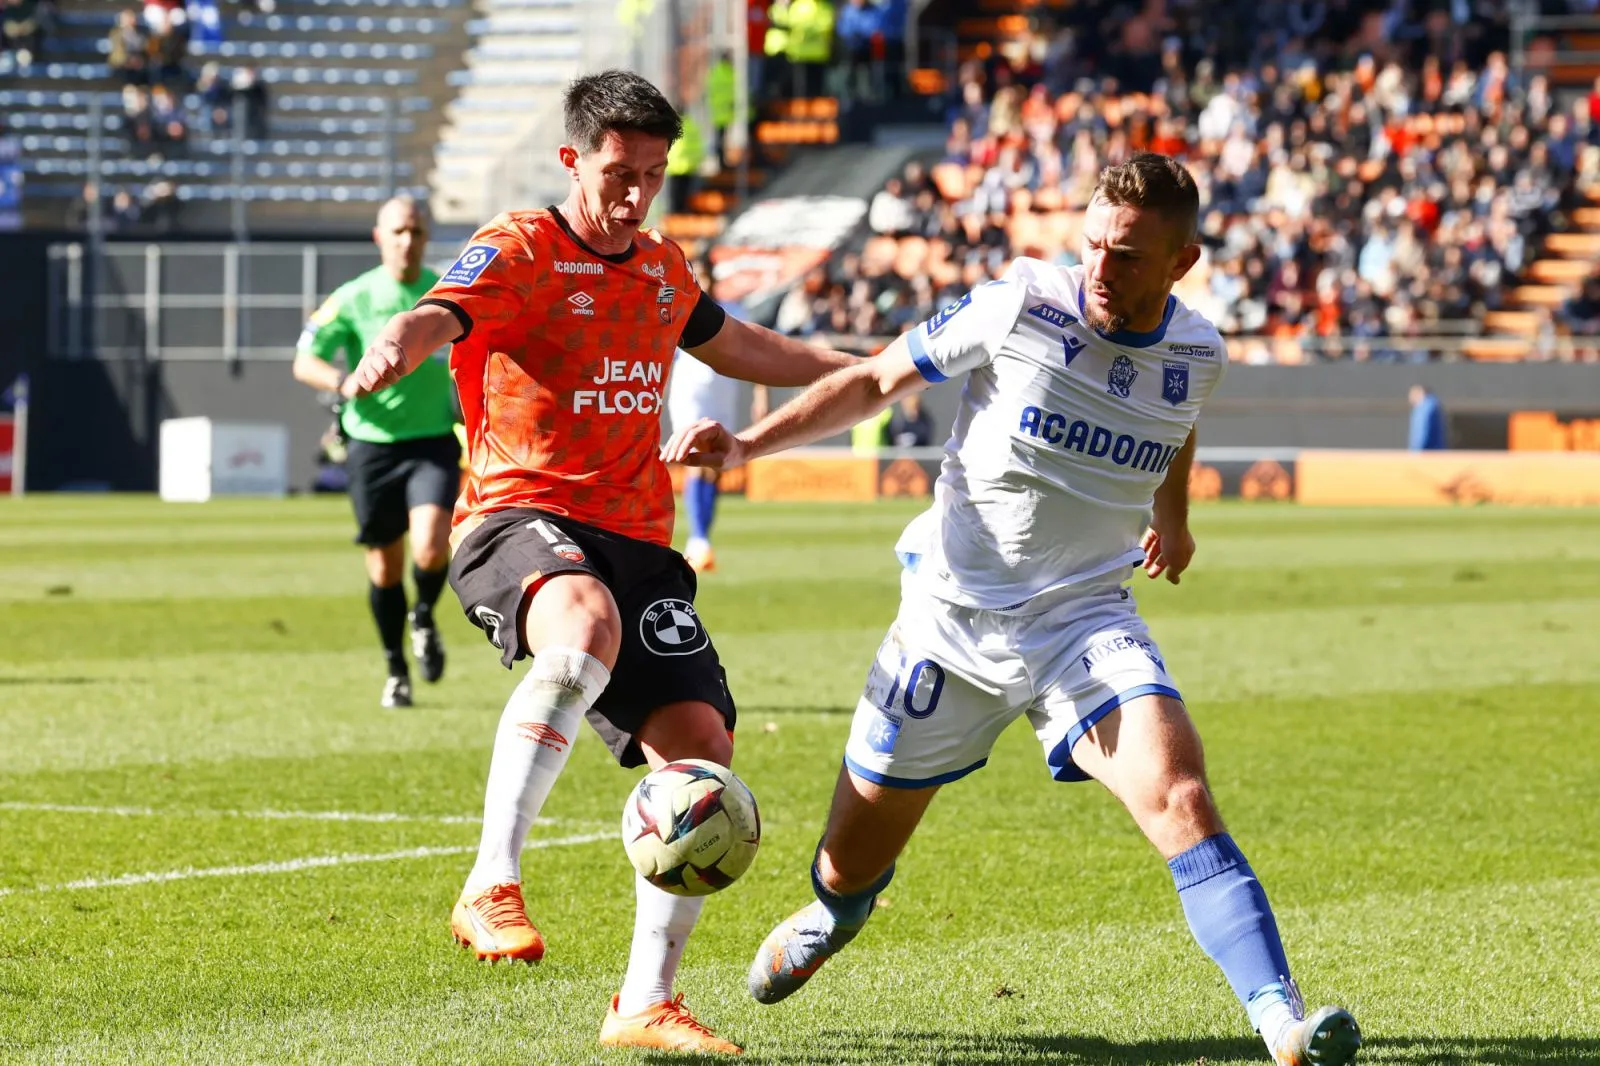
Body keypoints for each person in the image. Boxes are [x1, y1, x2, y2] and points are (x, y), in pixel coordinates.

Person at [664, 152, 1363, 1066]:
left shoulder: (1200, 353)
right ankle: (836, 916)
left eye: (1129, 258)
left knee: (1181, 795)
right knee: (848, 863)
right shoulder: (1021, 301)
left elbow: (1178, 415)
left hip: (1083, 623)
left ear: (1182, 265)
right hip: (946, 625)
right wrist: (747, 446)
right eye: (1096, 247)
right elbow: (879, 379)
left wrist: (1174, 518)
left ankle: (1284, 1024)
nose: (1101, 272)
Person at [341, 69, 857, 1054]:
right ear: (573, 158)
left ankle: (641, 1002)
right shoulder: (520, 246)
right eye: (620, 172)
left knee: (699, 746)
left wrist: (865, 366)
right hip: (516, 517)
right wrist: (396, 345)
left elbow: (737, 343)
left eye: (654, 175)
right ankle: (491, 878)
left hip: (637, 541)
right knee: (579, 632)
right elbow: (439, 314)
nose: (635, 192)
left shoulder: (661, 268)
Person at [292, 196, 458, 709]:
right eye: (399, 231)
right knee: (385, 568)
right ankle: (395, 669)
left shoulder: (447, 290)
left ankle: (423, 616)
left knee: (431, 546)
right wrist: (342, 383)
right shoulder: (353, 296)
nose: (408, 241)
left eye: (417, 231)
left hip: (433, 440)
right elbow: (306, 359)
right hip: (372, 446)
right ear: (379, 237)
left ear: (427, 237)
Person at [666, 258, 746, 573]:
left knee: (716, 465)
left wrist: (762, 396)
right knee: (697, 461)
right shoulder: (676, 308)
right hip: (690, 392)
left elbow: (749, 350)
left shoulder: (733, 311)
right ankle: (699, 540)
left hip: (723, 392)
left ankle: (702, 539)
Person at [1407, 385, 1445, 451]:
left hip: (1427, 453)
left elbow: (1421, 432)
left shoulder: (1424, 409)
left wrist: (1417, 451)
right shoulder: (1433, 406)